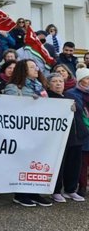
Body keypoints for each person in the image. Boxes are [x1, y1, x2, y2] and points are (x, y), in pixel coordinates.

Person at [3, 59, 53, 207]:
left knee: (36, 161)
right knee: (23, 162)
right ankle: (21, 194)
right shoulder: (13, 87)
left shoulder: (39, 86)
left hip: (39, 131)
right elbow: (10, 107)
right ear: (23, 70)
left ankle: (34, 192)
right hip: (23, 132)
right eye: (32, 67)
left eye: (36, 66)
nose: (36, 69)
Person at [48, 72, 89, 203]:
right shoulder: (47, 98)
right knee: (60, 165)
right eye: (55, 81)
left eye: (60, 81)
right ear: (49, 85)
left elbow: (81, 111)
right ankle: (56, 190)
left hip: (76, 135)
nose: (58, 83)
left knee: (74, 164)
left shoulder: (70, 95)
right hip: (59, 137)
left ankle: (70, 190)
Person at [70, 65, 89, 197]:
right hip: (83, 131)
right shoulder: (72, 93)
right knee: (83, 163)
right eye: (87, 78)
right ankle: (82, 186)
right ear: (80, 80)